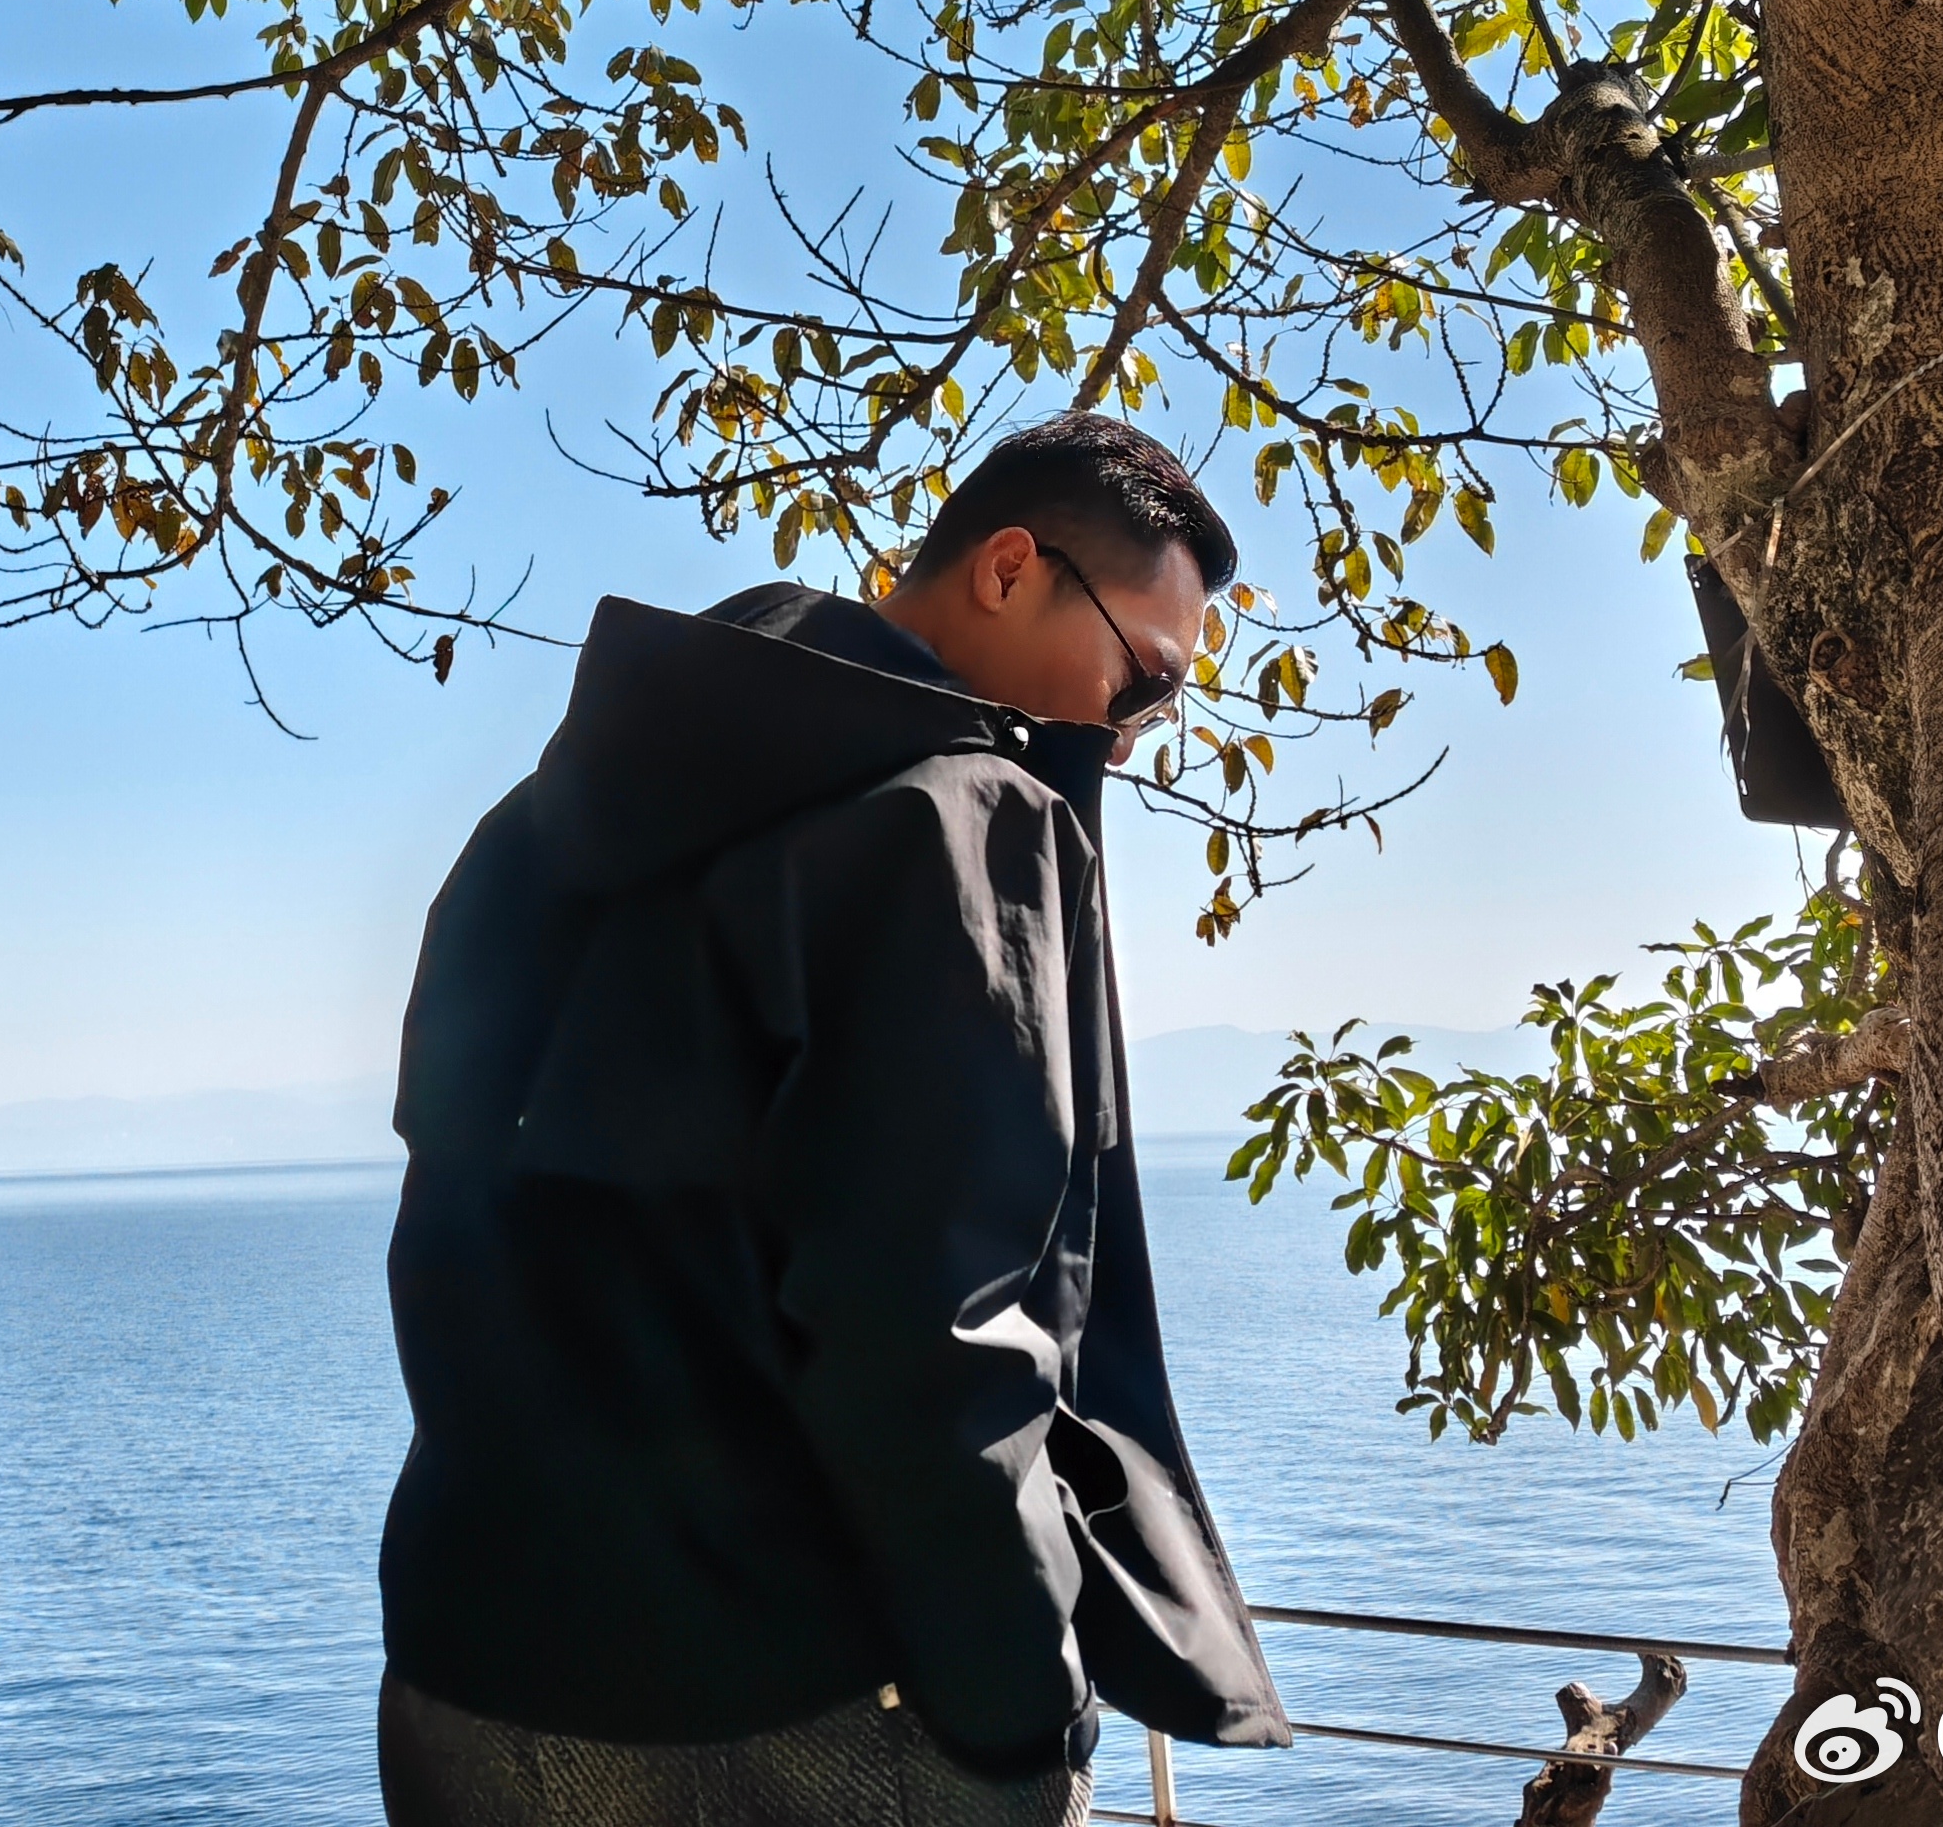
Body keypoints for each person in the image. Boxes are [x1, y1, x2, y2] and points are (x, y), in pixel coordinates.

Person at [377, 414, 1291, 1827]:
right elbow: (938, 1342)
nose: (1128, 727)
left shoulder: (540, 819)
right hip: (805, 1703)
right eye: (1144, 676)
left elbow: (444, 1178)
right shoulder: (965, 817)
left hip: (472, 1662)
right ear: (1007, 568)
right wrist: (1024, 1714)